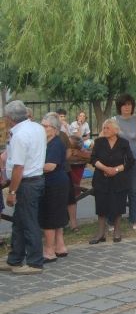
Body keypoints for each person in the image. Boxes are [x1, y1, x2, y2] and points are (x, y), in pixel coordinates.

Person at [1, 100, 47, 274]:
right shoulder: (37, 128)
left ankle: (35, 261)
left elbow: (19, 167)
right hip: (35, 178)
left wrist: (12, 191)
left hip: (26, 182)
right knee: (19, 222)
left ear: (10, 118)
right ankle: (15, 258)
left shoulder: (19, 135)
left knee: (28, 221)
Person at [88, 119, 134, 244]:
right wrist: (105, 168)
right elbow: (93, 159)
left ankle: (117, 231)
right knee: (101, 205)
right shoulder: (99, 142)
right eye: (104, 128)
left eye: (108, 128)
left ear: (115, 130)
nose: (105, 130)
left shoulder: (123, 143)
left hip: (119, 179)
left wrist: (116, 169)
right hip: (101, 178)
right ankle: (101, 233)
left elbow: (130, 161)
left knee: (118, 204)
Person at [114, 94, 136, 231]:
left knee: (134, 189)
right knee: (118, 190)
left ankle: (135, 218)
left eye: (129, 104)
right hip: (119, 160)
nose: (127, 107)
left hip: (135, 159)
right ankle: (113, 219)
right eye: (124, 104)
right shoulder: (114, 121)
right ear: (119, 107)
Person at [39, 114, 70, 262]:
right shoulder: (46, 141)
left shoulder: (56, 143)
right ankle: (60, 246)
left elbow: (50, 166)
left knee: (50, 216)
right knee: (56, 214)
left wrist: (32, 167)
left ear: (54, 129)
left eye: (45, 126)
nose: (42, 128)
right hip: (54, 182)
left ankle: (49, 250)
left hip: (54, 183)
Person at [65, 135, 90, 231]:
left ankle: (72, 223)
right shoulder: (68, 153)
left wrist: (79, 154)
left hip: (73, 182)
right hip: (67, 179)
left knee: (71, 198)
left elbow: (90, 156)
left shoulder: (80, 153)